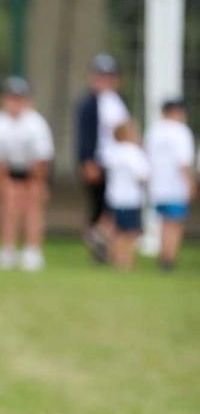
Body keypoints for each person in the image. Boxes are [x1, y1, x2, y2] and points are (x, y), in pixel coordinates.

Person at [0, 76, 54, 271]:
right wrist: (4, 184)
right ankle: (8, 249)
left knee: (33, 208)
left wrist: (35, 183)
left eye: (19, 98)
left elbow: (42, 158)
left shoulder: (35, 123)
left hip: (34, 170)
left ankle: (33, 251)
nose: (15, 103)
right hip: (8, 169)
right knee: (8, 207)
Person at [75, 52, 129, 262]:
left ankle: (108, 242)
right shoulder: (88, 104)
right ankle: (97, 244)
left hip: (119, 163)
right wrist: (88, 161)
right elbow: (85, 135)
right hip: (99, 161)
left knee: (115, 205)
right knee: (99, 205)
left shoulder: (118, 101)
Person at [144, 99, 196, 271]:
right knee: (175, 223)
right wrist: (190, 182)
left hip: (157, 186)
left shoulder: (154, 130)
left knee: (164, 222)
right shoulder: (181, 132)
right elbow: (183, 162)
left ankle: (163, 255)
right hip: (176, 186)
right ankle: (169, 259)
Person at [104, 119, 149, 270]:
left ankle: (117, 260)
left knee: (117, 231)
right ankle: (127, 261)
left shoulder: (112, 151)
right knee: (131, 232)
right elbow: (142, 175)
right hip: (130, 198)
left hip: (114, 197)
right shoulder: (133, 152)